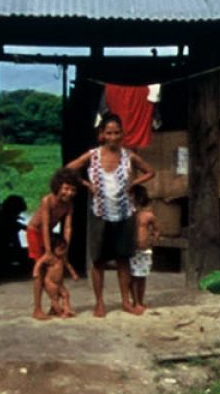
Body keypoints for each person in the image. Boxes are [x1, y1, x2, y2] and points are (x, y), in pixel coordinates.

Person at [65, 113, 155, 316]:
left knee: (123, 259)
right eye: (109, 133)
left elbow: (150, 171)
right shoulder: (93, 155)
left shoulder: (129, 156)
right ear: (102, 135)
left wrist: (134, 183)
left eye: (117, 133)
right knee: (98, 261)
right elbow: (69, 169)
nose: (113, 137)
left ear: (122, 134)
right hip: (100, 213)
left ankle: (125, 301)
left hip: (124, 213)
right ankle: (99, 303)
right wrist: (86, 184)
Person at [28, 167, 79, 320]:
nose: (69, 193)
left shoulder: (69, 205)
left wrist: (65, 249)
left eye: (72, 190)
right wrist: (48, 251)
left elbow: (68, 227)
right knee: (41, 268)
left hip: (48, 233)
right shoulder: (47, 201)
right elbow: (43, 225)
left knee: (57, 266)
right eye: (66, 188)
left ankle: (54, 305)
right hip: (35, 232)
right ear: (58, 186)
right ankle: (37, 309)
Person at [128, 184, 158, 313]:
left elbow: (157, 230)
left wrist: (153, 241)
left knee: (142, 276)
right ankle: (136, 301)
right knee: (134, 276)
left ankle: (140, 300)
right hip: (132, 249)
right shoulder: (130, 215)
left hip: (144, 250)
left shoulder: (149, 216)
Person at [33, 237, 76, 319]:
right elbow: (39, 263)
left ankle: (67, 309)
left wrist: (73, 274)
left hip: (59, 283)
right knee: (55, 299)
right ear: (53, 248)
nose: (62, 251)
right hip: (50, 283)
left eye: (64, 249)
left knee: (66, 295)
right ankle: (59, 313)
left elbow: (68, 265)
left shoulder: (62, 258)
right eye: (60, 249)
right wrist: (35, 272)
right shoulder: (50, 257)